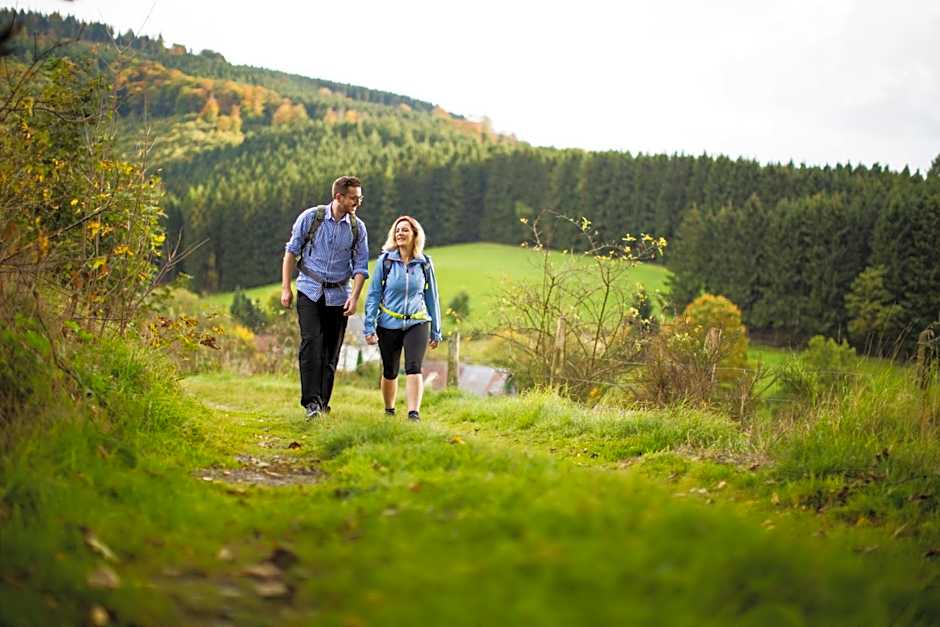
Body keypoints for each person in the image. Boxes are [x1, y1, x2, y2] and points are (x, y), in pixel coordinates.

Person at [281, 176, 369, 419]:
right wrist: (286, 288)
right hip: (309, 290)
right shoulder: (311, 218)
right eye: (354, 198)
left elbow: (361, 267)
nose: (358, 203)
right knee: (312, 343)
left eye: (360, 198)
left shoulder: (357, 228)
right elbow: (291, 252)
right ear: (338, 197)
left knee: (331, 351)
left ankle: (322, 403)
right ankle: (311, 402)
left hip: (339, 295)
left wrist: (355, 296)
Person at [363, 216, 442, 421]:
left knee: (414, 366)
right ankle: (389, 409)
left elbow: (432, 297)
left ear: (415, 235)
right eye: (397, 230)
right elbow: (373, 294)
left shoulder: (425, 264)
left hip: (418, 321)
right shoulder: (386, 262)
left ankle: (413, 413)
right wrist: (369, 326)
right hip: (388, 323)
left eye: (405, 230)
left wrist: (436, 330)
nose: (400, 233)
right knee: (390, 370)